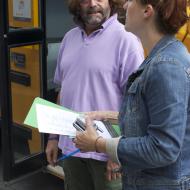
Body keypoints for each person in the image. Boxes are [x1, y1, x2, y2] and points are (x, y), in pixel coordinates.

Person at [74, 0, 190, 190]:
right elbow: (153, 118)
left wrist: (97, 144)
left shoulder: (165, 66)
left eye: (131, 1)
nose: (125, 6)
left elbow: (163, 148)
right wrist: (107, 116)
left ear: (147, 11)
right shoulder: (161, 58)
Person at [45, 0, 144, 189]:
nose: (92, 4)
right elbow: (63, 91)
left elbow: (136, 104)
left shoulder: (126, 39)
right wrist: (53, 138)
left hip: (107, 153)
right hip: (72, 150)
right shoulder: (69, 38)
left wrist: (117, 153)